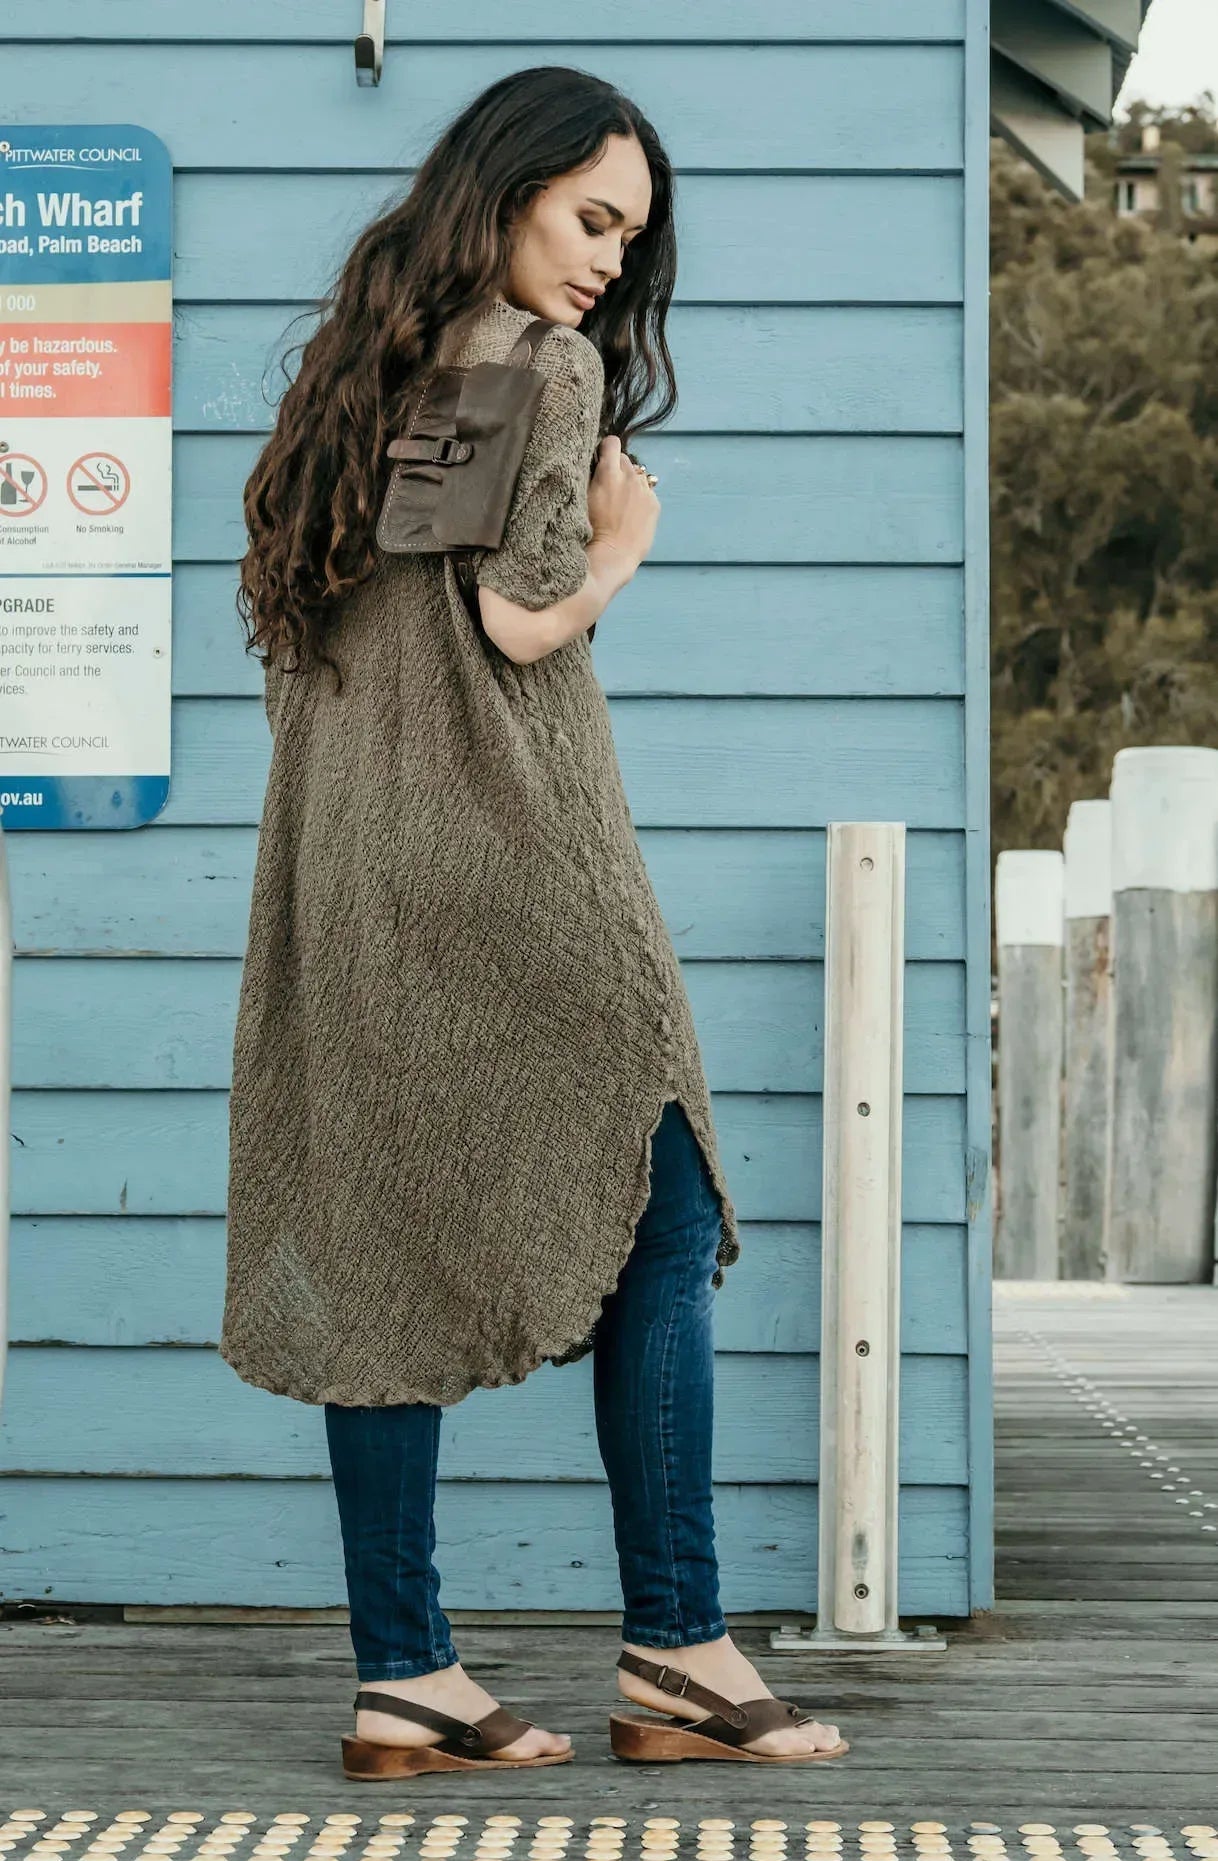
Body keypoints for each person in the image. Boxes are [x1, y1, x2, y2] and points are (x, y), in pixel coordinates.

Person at [219, 63, 846, 1773]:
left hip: (349, 869)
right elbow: (511, 621)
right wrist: (628, 546)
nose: (605, 271)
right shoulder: (544, 368)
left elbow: (368, 636)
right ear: (499, 191)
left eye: (627, 243)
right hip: (513, 846)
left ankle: (404, 1674)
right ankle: (678, 1649)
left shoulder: (364, 383)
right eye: (589, 221)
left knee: (374, 1239)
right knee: (658, 1208)